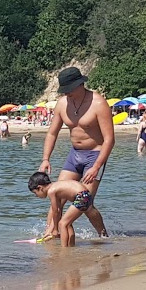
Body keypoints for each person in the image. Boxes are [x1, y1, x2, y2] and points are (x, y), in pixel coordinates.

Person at [40, 67, 116, 210]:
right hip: (74, 155)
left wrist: (96, 167)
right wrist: (45, 159)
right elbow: (52, 133)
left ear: (80, 84)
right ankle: (50, 232)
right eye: (64, 90)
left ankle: (103, 233)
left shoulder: (98, 103)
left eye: (69, 89)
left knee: (83, 203)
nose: (66, 93)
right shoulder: (62, 104)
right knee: (56, 197)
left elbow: (109, 140)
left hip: (95, 155)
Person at [28, 171, 106, 247]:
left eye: (35, 193)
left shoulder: (51, 191)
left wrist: (55, 230)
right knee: (68, 224)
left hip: (81, 197)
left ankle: (64, 249)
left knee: (62, 224)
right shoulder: (55, 186)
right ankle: (71, 246)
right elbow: (58, 210)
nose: (36, 196)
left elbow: (55, 211)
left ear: (40, 188)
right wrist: (50, 230)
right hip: (85, 195)